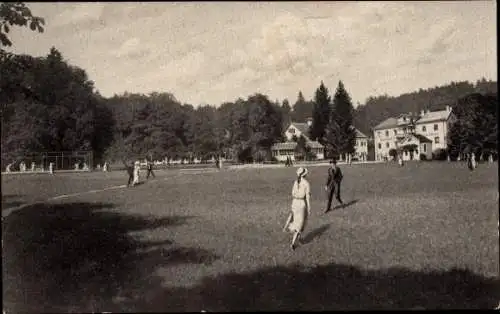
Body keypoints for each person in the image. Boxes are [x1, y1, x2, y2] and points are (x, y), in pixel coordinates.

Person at [283, 167, 311, 250]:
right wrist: (309, 207)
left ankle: (289, 230)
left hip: (294, 202)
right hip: (301, 204)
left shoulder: (296, 182)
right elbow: (307, 197)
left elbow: (292, 193)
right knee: (300, 224)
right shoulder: (306, 183)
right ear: (305, 174)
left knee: (296, 220)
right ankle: (293, 243)